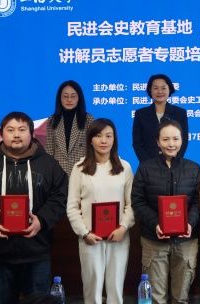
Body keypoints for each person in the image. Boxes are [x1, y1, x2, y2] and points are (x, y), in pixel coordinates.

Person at [0, 111, 68, 304]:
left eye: (22, 129)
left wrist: (42, 220)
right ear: (2, 134)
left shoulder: (49, 165)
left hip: (37, 252)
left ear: (32, 133)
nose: (16, 135)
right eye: (10, 130)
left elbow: (59, 197)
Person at [131, 119, 200, 304]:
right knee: (156, 297)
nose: (171, 144)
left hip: (186, 241)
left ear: (182, 140)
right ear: (157, 142)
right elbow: (137, 201)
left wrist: (189, 223)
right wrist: (156, 223)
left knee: (181, 297)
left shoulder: (193, 168)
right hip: (154, 240)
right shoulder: (145, 168)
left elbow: (198, 201)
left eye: (176, 139)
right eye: (166, 139)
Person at [67, 118, 135, 304]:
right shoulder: (79, 168)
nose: (103, 140)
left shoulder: (124, 167)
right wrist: (84, 233)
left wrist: (123, 228)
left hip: (118, 237)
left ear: (114, 140)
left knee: (116, 289)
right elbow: (72, 206)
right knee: (92, 290)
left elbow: (132, 204)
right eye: (98, 136)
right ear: (90, 140)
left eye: (108, 136)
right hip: (90, 238)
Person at [132, 74, 189, 163]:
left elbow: (184, 140)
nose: (160, 91)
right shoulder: (141, 114)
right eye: (156, 88)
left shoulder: (180, 113)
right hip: (148, 166)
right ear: (150, 90)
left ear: (169, 89)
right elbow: (137, 143)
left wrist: (174, 162)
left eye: (163, 88)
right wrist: (148, 164)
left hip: (174, 165)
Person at [46, 80, 94, 174]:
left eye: (73, 96)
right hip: (58, 173)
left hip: (81, 171)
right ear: (59, 98)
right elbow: (49, 151)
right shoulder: (52, 120)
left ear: (79, 98)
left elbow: (92, 149)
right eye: (65, 96)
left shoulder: (88, 119)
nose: (69, 100)